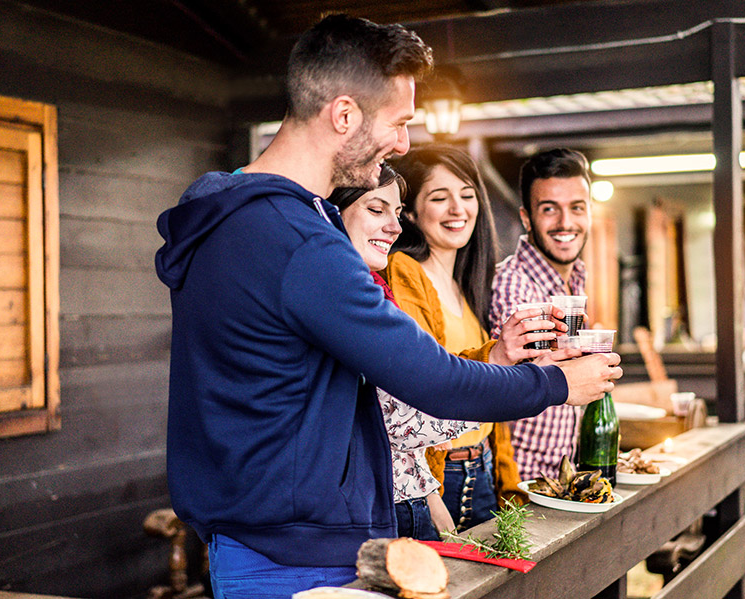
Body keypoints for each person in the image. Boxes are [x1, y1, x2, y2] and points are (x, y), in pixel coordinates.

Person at [155, 15, 621, 598]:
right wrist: (557, 383)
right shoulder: (295, 242)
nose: (403, 143)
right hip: (296, 558)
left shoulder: (242, 219)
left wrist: (500, 362)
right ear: (344, 115)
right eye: (398, 122)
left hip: (260, 540)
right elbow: (430, 378)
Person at [386, 145, 556, 530]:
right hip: (437, 476)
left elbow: (492, 401)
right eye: (439, 197)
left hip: (481, 467)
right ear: (410, 212)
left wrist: (507, 485)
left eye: (467, 195)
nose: (458, 209)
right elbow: (418, 387)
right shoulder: (404, 272)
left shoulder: (471, 284)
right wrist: (428, 497)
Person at [328, 165, 476, 541]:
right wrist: (513, 388)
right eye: (376, 210)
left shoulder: (373, 288)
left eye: (395, 213)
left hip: (404, 497)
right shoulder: (342, 298)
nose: (395, 227)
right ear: (332, 211)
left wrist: (425, 489)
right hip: (373, 509)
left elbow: (382, 416)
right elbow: (398, 417)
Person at [490, 148, 596, 482]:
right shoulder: (513, 286)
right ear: (526, 218)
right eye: (549, 209)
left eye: (576, 208)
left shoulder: (573, 280)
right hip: (520, 487)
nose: (566, 223)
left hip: (560, 476)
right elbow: (516, 381)